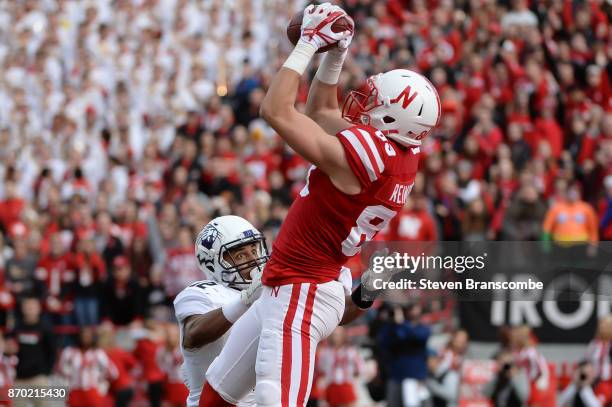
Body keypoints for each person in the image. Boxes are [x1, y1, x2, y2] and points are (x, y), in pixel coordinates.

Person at [201, 3, 440, 406]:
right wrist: (337, 52)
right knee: (216, 395)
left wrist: (309, 44)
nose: (363, 104)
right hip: (295, 283)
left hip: (302, 291)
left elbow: (276, 111)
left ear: (391, 122)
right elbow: (322, 111)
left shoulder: (370, 155)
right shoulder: (398, 154)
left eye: (374, 103)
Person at [174, 215, 269, 407]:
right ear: (213, 263)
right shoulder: (205, 293)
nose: (253, 260)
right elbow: (193, 333)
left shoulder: (268, 292)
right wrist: (246, 300)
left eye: (254, 250)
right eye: (241, 255)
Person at [378, 304, 432, 407]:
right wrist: (390, 323)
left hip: (416, 375)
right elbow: (383, 342)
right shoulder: (394, 327)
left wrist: (402, 323)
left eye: (411, 308)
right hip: (396, 376)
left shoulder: (422, 327)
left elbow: (418, 336)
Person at [6, 296, 55, 407]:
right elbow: (8, 349)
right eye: (27, 306)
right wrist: (9, 351)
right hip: (20, 378)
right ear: (22, 308)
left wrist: (46, 373)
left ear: (39, 308)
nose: (30, 309)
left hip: (38, 378)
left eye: (32, 306)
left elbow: (52, 351)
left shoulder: (45, 328)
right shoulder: (17, 328)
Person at [57, 326, 118, 407]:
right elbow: (60, 369)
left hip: (92, 392)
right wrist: (68, 379)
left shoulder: (97, 353)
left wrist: (101, 381)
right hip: (74, 391)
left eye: (88, 336)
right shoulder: (69, 352)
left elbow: (113, 372)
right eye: (83, 335)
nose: (85, 338)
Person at [318, 327, 363, 407]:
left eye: (338, 335)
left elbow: (359, 367)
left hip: (346, 385)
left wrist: (354, 378)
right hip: (331, 385)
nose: (336, 337)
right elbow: (321, 368)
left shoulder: (351, 351)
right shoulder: (326, 352)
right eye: (334, 335)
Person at [427, 329, 469, 407]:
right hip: (439, 385)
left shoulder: (466, 356)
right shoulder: (443, 352)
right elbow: (434, 369)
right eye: (458, 339)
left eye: (463, 341)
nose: (459, 343)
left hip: (457, 391)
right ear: (453, 339)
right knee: (452, 378)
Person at [585, 315, 612, 405]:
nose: (602, 327)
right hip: (594, 381)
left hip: (608, 382)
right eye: (601, 325)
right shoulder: (594, 344)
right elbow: (586, 362)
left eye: (605, 325)